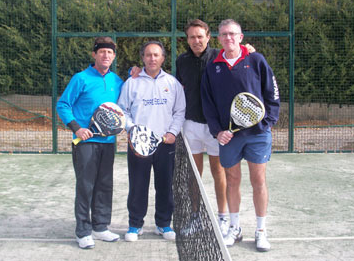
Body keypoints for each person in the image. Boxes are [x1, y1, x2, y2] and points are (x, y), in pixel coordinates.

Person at [201, 19, 280, 252]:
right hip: (228, 137)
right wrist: (218, 131)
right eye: (224, 34)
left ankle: (261, 231)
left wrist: (267, 123)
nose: (228, 38)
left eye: (232, 34)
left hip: (258, 135)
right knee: (232, 181)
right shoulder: (212, 67)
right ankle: (234, 228)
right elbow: (208, 104)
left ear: (241, 37)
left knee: (258, 181)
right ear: (219, 39)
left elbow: (272, 94)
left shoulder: (256, 60)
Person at [56, 37, 123, 250]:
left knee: (105, 185)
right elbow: (63, 105)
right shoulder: (80, 78)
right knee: (86, 186)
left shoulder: (117, 81)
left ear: (113, 57)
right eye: (102, 52)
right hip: (85, 143)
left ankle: (100, 227)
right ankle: (83, 231)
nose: (106, 55)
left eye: (110, 52)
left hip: (108, 143)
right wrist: (77, 128)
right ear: (94, 55)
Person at [117, 40, 186, 242]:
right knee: (138, 185)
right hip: (138, 144)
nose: (152, 58)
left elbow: (179, 111)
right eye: (148, 55)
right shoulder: (132, 82)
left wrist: (173, 132)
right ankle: (135, 225)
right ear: (143, 58)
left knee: (165, 185)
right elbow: (123, 110)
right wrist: (133, 130)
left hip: (166, 144)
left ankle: (163, 224)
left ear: (163, 58)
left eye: (156, 55)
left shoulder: (172, 84)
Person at [175, 19, 229, 236]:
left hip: (216, 127)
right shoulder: (182, 61)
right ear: (187, 39)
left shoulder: (221, 56)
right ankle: (196, 216)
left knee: (219, 171)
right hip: (191, 125)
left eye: (200, 36)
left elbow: (243, 56)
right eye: (192, 37)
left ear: (208, 36)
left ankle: (223, 218)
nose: (196, 41)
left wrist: (250, 50)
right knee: (194, 175)